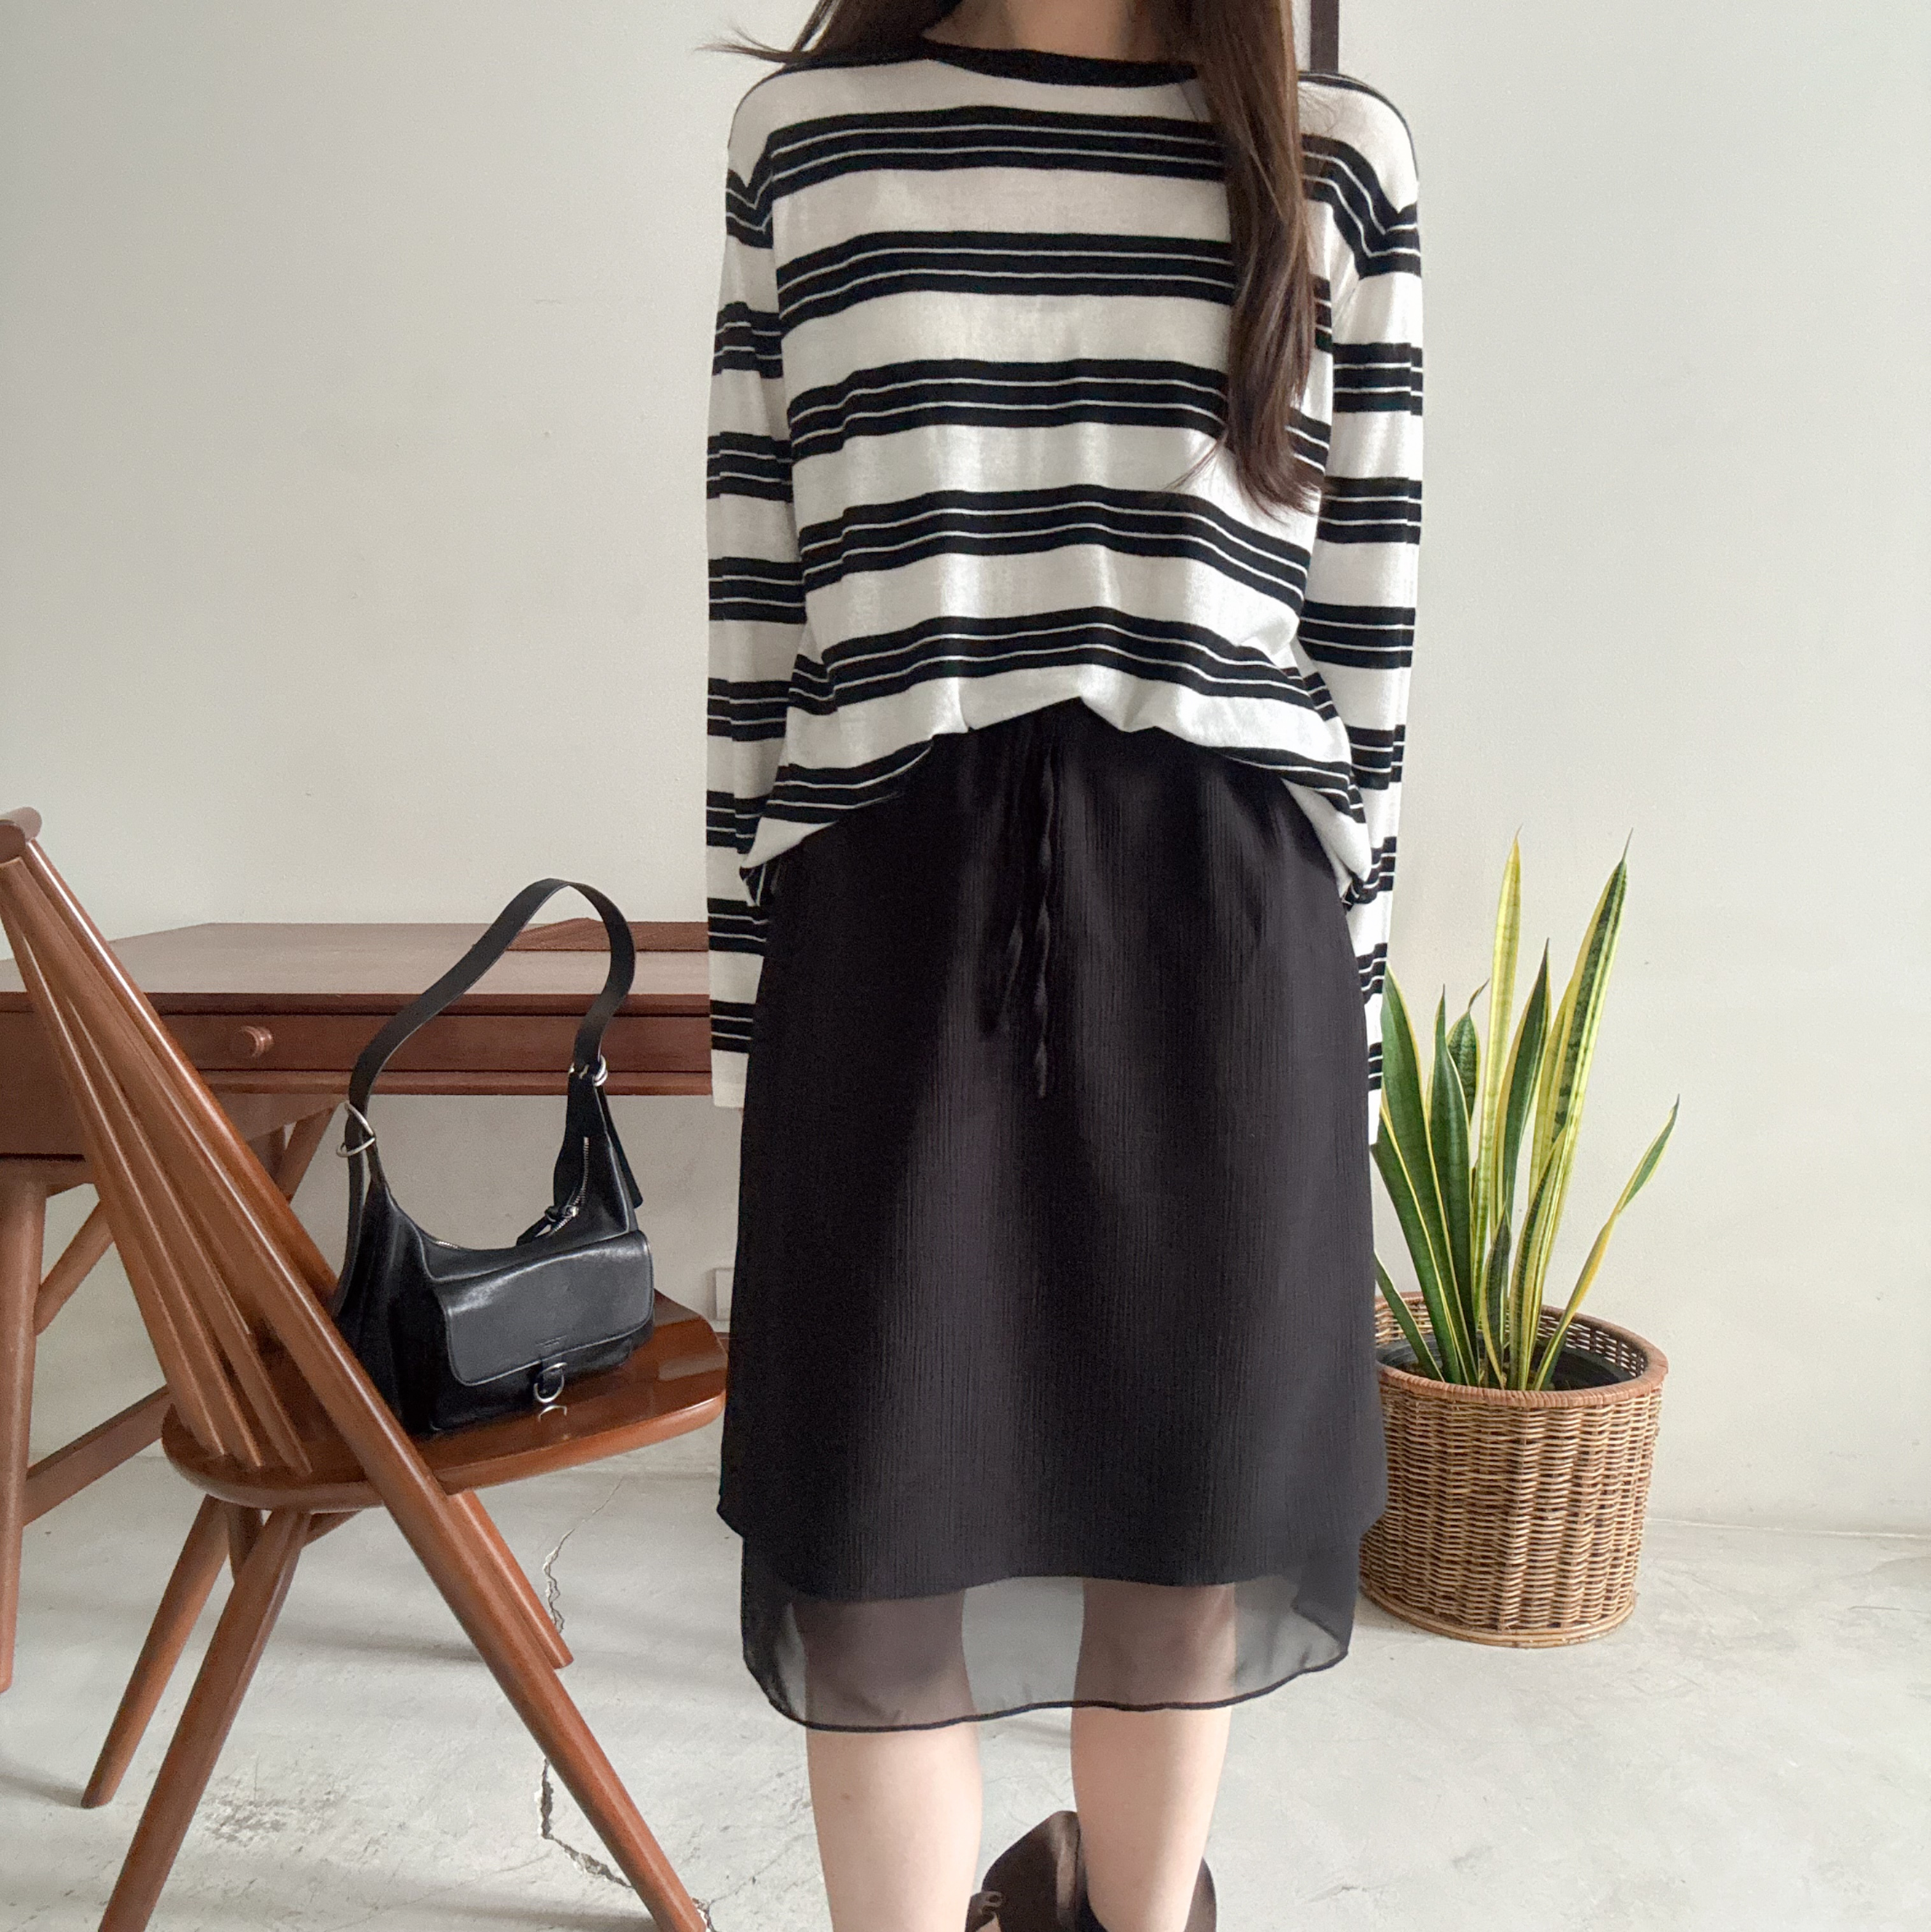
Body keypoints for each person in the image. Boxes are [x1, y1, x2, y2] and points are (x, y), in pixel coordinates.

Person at [700, 2, 1423, 1926]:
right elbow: (759, 603)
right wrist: (749, 1033)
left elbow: (1365, 639)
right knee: (870, 1550)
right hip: (886, 899)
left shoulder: (1337, 157)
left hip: (1229, 919)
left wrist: (1347, 1043)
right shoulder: (810, 142)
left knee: (1186, 1535)